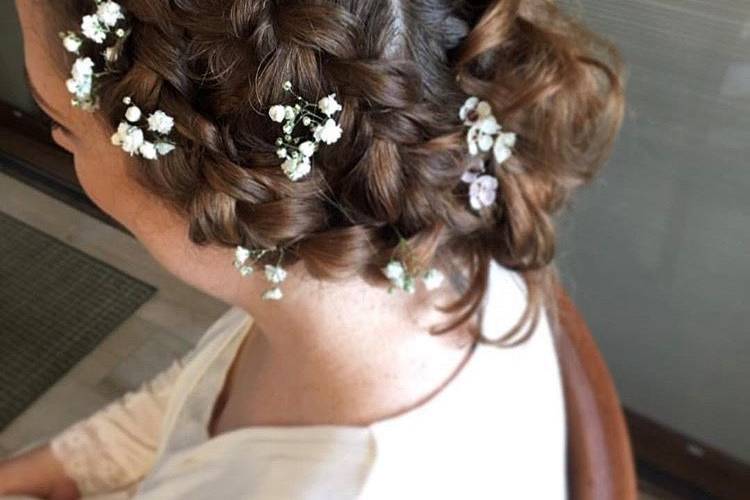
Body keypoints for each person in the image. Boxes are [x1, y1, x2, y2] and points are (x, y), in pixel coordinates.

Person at [0, 0, 625, 498]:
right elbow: (189, 404)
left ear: (203, 167)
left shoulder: (351, 479)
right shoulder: (389, 253)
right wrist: (49, 468)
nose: (60, 139)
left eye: (63, 126)